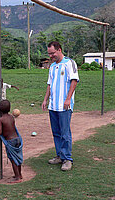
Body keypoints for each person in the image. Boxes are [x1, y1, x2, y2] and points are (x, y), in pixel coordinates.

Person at [41, 41, 79, 171]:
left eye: (53, 53)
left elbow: (74, 81)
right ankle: (59, 156)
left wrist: (68, 99)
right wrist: (45, 100)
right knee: (56, 132)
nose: (51, 56)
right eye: (49, 54)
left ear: (59, 50)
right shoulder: (52, 66)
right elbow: (49, 84)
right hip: (53, 105)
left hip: (64, 105)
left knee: (65, 132)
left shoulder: (69, 63)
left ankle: (67, 159)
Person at [0, 100, 23, 183]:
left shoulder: (1, 120)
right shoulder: (11, 117)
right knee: (18, 157)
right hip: (17, 139)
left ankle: (18, 178)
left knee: (13, 159)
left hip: (10, 142)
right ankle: (19, 174)